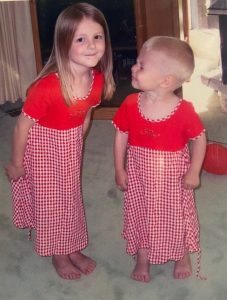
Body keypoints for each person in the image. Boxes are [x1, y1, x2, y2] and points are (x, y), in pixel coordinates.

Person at [5, 2, 115, 280]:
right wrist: (17, 163)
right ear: (64, 43)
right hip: (42, 148)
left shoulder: (97, 79)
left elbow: (86, 115)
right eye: (81, 39)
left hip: (69, 146)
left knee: (71, 197)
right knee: (51, 201)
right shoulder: (48, 87)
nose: (91, 45)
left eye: (97, 37)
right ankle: (58, 253)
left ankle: (72, 246)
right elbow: (21, 127)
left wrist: (78, 143)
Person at [112, 36, 206, 283]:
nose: (133, 67)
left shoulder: (184, 110)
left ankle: (180, 254)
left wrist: (194, 170)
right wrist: (119, 169)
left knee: (176, 215)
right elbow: (121, 135)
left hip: (172, 179)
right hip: (140, 175)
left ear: (166, 81)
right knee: (141, 212)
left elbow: (199, 138)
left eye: (142, 66)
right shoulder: (131, 104)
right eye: (137, 62)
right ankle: (142, 256)